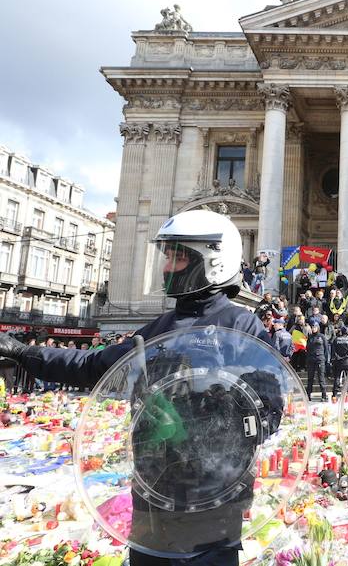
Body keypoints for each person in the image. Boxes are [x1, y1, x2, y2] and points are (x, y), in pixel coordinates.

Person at [0, 210, 271, 566]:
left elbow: (266, 414)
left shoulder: (242, 327)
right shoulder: (161, 326)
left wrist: (192, 431)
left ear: (213, 260)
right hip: (153, 497)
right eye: (168, 256)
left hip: (212, 503)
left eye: (177, 256)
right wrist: (22, 352)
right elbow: (93, 366)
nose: (166, 267)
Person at [305, 321, 331, 402]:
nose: (313, 329)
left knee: (321, 378)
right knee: (310, 378)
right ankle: (308, 395)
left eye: (315, 327)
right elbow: (307, 348)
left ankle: (324, 395)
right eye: (312, 327)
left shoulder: (322, 336)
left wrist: (327, 360)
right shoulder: (310, 337)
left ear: (318, 328)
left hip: (320, 359)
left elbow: (326, 349)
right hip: (311, 359)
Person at [331, 326, 348, 399]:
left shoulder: (336, 339)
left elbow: (333, 351)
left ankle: (335, 394)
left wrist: (338, 357)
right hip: (347, 362)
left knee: (337, 378)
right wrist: (345, 357)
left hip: (338, 362)